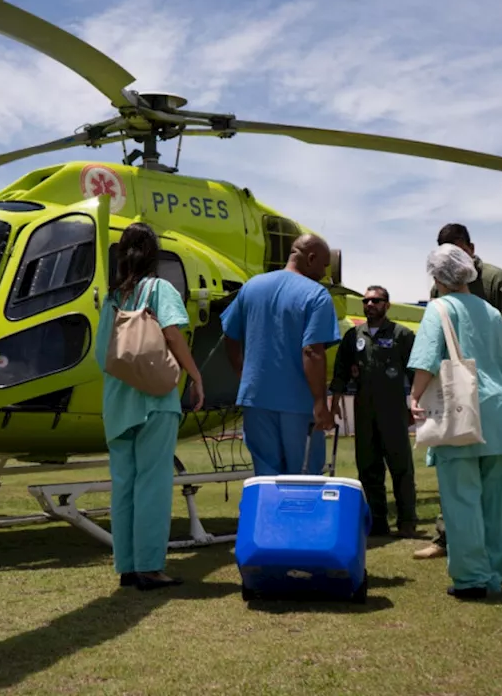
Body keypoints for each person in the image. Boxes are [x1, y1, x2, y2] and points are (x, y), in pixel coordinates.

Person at [94, 222, 205, 591]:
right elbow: (172, 332)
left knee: (123, 486)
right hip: (155, 401)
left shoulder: (110, 300)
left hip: (117, 404)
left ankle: (127, 566)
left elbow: (100, 356)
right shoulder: (160, 289)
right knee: (153, 485)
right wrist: (195, 374)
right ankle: (150, 568)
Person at [407, 243, 502, 600]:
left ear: (438, 276)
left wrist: (413, 397)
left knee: (462, 499)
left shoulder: (438, 309)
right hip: (501, 415)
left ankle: (471, 579)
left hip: (461, 413)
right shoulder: (491, 312)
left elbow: (426, 360)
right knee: (498, 503)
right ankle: (492, 577)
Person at [222, 234, 340, 476]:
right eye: (324, 265)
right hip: (298, 403)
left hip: (256, 400)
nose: (325, 273)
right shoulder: (317, 296)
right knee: (304, 478)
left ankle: (269, 516)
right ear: (311, 258)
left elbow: (229, 334)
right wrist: (320, 401)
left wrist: (242, 372)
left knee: (266, 477)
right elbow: (312, 351)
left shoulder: (251, 286)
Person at [328, 285, 418, 537]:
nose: (369, 305)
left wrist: (416, 402)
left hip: (393, 409)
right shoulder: (354, 335)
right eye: (366, 301)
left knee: (401, 466)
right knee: (368, 467)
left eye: (376, 301)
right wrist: (334, 402)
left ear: (387, 305)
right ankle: (378, 521)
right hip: (364, 410)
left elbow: (415, 372)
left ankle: (407, 521)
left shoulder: (402, 334)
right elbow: (341, 371)